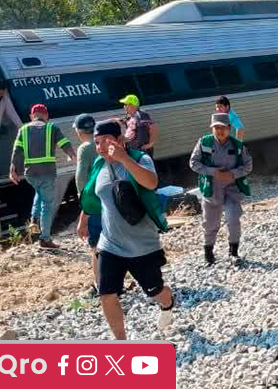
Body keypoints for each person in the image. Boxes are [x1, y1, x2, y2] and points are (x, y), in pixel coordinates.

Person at [79, 120, 173, 339]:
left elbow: (151, 183)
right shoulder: (100, 165)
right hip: (110, 244)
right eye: (96, 142)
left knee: (157, 292)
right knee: (106, 293)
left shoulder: (140, 159)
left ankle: (167, 304)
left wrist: (124, 158)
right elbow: (95, 195)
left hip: (142, 245)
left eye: (105, 140)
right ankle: (122, 343)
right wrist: (83, 219)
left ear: (120, 140)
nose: (100, 147)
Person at [189, 113, 253, 266]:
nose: (220, 131)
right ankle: (208, 254)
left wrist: (233, 174)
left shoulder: (238, 146)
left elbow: (248, 165)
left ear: (229, 128)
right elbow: (193, 163)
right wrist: (213, 172)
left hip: (232, 189)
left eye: (223, 127)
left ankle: (233, 253)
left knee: (233, 219)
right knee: (210, 224)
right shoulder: (204, 142)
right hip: (211, 189)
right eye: (216, 127)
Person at [9, 104, 75, 249]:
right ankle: (45, 239)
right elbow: (64, 143)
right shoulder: (52, 127)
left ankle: (34, 220)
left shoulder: (23, 129)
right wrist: (71, 155)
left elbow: (17, 150)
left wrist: (12, 169)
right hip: (47, 172)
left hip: (31, 173)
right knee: (47, 205)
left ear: (32, 116)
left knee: (39, 193)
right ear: (46, 115)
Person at [72, 114, 101, 295]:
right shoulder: (103, 143)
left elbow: (81, 177)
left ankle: (100, 285)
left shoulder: (85, 147)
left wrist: (83, 205)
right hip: (109, 200)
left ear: (79, 131)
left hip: (94, 203)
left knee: (96, 245)